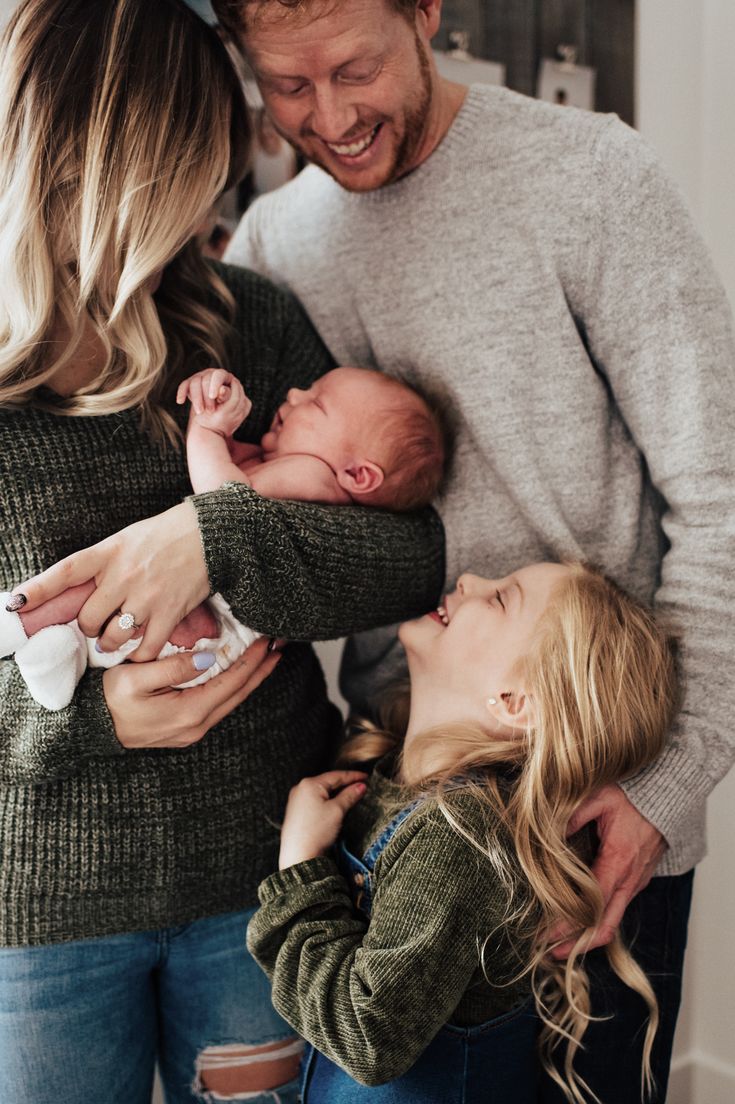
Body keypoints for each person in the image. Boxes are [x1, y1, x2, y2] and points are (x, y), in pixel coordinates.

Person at [214, 0, 735, 1097]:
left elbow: (722, 500)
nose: (333, 116)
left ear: (426, 11)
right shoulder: (273, 246)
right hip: (397, 825)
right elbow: (271, 537)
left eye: (354, 67)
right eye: (291, 87)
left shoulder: (591, 178)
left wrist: (667, 785)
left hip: (598, 821)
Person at [0, 3, 443, 1103]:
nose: (217, 198)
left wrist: (210, 537)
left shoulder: (248, 323)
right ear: (117, 171)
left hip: (262, 890)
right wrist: (79, 725)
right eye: (198, 167)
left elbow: (406, 554)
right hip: (37, 923)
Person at [247, 562, 679, 1103]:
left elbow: (368, 1038)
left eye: (500, 599)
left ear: (515, 701)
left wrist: (301, 870)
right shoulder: (404, 786)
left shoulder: (458, 841)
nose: (471, 579)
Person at [0, 365, 444, 710]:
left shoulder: (314, 477)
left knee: (93, 586)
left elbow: (223, 501)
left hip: (214, 614)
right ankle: (60, 661)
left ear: (357, 474)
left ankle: (16, 621)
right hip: (209, 635)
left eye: (317, 405)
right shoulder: (290, 465)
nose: (294, 394)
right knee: (109, 611)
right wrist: (220, 411)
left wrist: (207, 429)